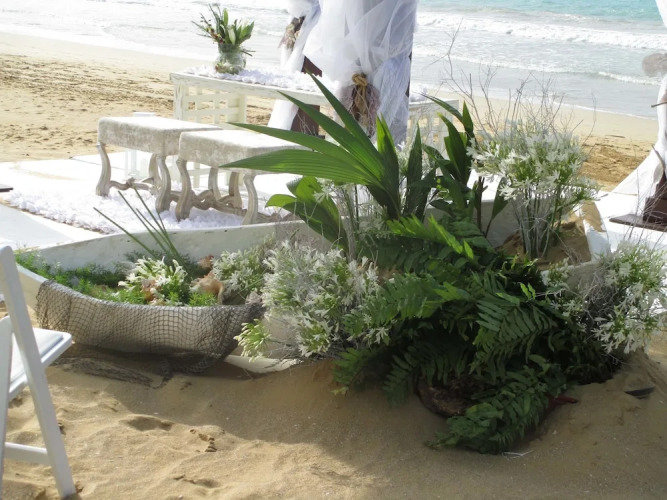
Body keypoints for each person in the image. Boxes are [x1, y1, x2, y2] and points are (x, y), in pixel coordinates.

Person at [303, 0, 418, 144]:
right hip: (384, 70)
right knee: (383, 140)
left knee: (354, 136)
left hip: (366, 70)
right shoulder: (389, 66)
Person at [268, 0, 322, 134]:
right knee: (300, 97)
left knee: (306, 94)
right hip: (302, 21)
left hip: (313, 35)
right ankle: (300, 134)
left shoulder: (316, 12)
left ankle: (303, 135)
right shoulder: (297, 14)